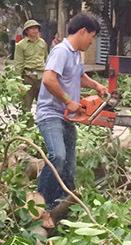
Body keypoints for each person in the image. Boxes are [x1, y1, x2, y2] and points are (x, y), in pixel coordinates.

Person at [35, 13, 108, 226]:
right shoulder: (61, 51)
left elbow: (79, 76)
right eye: (91, 37)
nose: (91, 42)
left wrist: (96, 86)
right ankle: (41, 207)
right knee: (57, 156)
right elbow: (49, 79)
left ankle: (62, 206)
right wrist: (68, 101)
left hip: (67, 117)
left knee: (69, 167)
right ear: (82, 31)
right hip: (51, 113)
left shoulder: (75, 54)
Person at [14, 20, 48, 111]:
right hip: (28, 77)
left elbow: (46, 59)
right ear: (27, 31)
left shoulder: (42, 43)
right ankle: (28, 124)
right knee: (26, 105)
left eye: (36, 28)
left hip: (41, 76)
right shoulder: (21, 45)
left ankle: (42, 124)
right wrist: (18, 82)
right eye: (32, 28)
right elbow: (18, 64)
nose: (34, 30)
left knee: (44, 105)